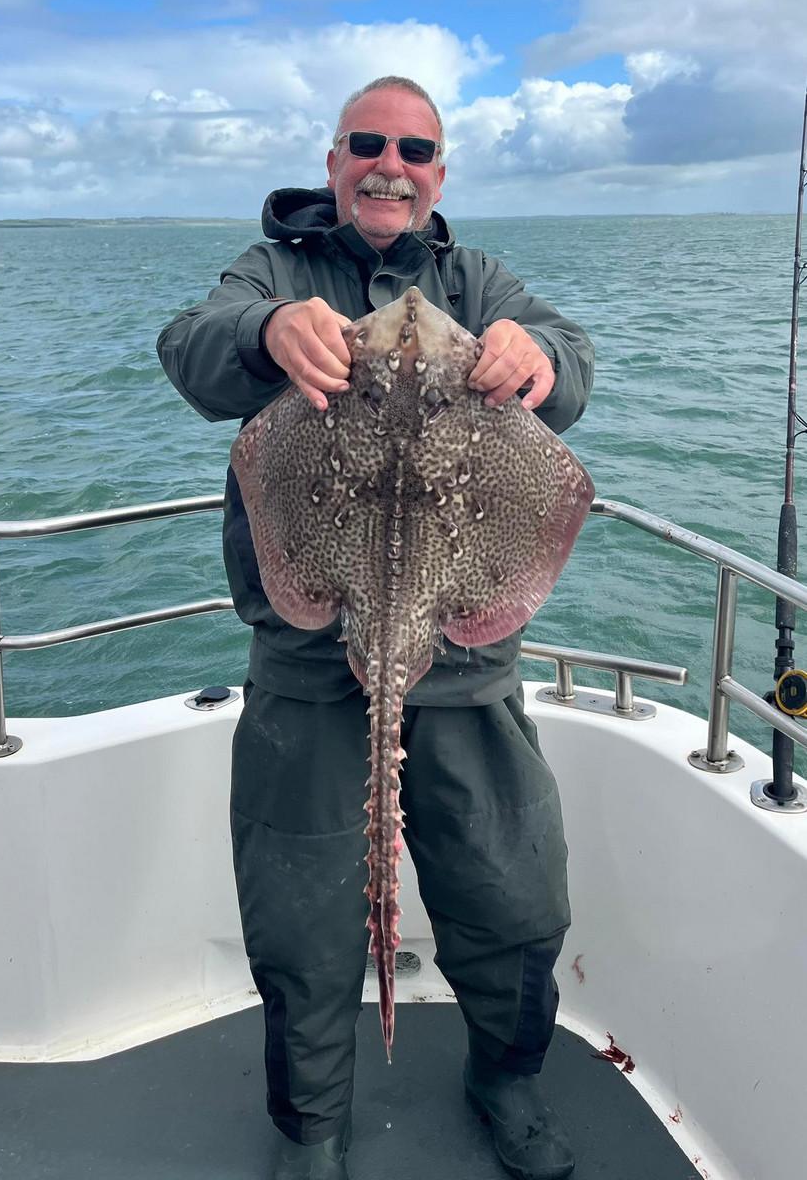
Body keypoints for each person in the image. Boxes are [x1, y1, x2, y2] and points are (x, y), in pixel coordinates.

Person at [157, 75, 593, 1180]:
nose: (390, 165)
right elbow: (190, 347)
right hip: (309, 662)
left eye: (415, 150)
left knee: (515, 893)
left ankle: (507, 1080)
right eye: (368, 144)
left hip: (466, 661)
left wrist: (538, 357)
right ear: (335, 160)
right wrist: (267, 330)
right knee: (302, 917)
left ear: (439, 173)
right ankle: (314, 1128)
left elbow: (568, 360)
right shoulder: (275, 269)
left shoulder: (476, 280)